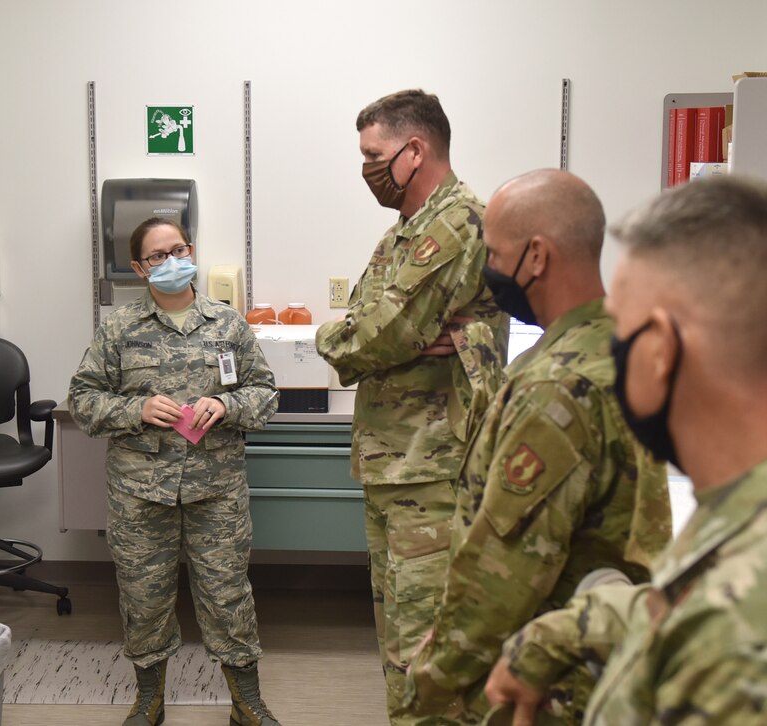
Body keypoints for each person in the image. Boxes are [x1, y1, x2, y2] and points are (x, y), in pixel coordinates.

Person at [483, 174, 767, 725]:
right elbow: (675, 612)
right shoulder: (733, 519)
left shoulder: (733, 644)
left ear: (658, 349)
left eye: (620, 332)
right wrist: (579, 621)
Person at [402, 169, 672, 723]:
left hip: (545, 682)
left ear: (538, 257)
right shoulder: (619, 345)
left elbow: (506, 564)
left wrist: (434, 673)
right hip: (599, 651)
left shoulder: (557, 388)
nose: (488, 272)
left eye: (495, 255)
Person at [314, 89, 508, 723]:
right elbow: (368, 324)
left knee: (430, 647)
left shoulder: (454, 224)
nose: (367, 167)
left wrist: (356, 339)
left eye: (374, 155)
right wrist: (366, 337)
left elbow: (374, 335)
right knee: (401, 637)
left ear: (414, 149)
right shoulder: (407, 229)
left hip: (432, 467)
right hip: (397, 463)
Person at [68, 217, 280, 726]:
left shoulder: (228, 324)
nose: (171, 262)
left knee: (228, 593)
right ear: (141, 268)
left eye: (178, 250)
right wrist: (133, 411)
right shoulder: (119, 328)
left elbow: (266, 394)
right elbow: (82, 400)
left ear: (193, 251)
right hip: (141, 493)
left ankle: (246, 703)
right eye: (158, 256)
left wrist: (227, 406)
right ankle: (149, 701)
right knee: (144, 598)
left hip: (217, 487)